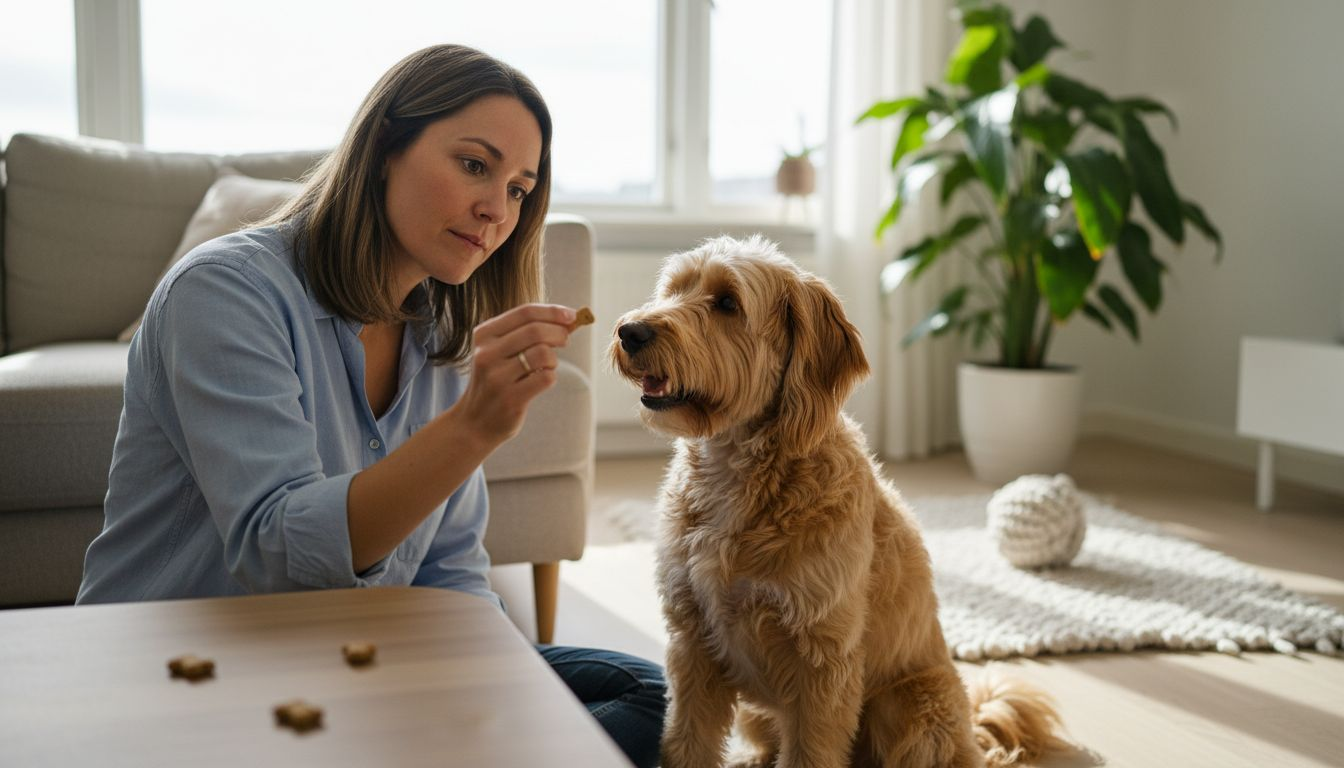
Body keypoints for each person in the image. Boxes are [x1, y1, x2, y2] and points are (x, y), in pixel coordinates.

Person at [76, 44, 665, 767]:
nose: (495, 208)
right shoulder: (224, 293)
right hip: (197, 663)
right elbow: (277, 551)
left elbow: (449, 567)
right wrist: (471, 430)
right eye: (475, 165)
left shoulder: (442, 333)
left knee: (651, 697)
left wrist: (485, 688)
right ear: (385, 146)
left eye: (518, 188)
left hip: (358, 661)